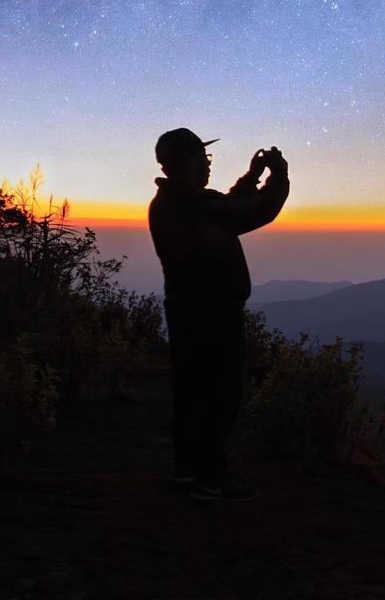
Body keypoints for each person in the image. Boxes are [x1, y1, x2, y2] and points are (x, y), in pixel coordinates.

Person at [147, 127, 289, 501]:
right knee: (220, 393)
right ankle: (211, 480)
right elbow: (253, 212)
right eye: (203, 158)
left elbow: (229, 213)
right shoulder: (189, 202)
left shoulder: (179, 200)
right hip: (211, 312)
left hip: (189, 308)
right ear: (185, 162)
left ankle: (188, 471)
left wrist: (253, 176)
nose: (208, 165)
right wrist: (279, 176)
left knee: (192, 391)